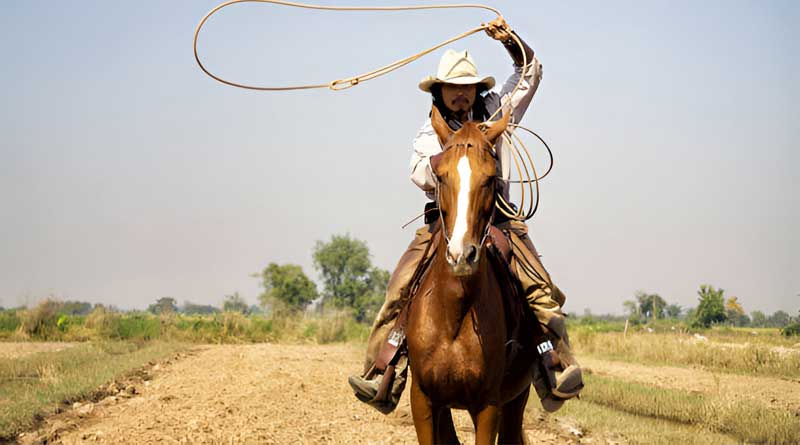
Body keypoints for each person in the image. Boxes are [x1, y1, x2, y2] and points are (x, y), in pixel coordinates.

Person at [348, 18, 583, 414]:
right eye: (452, 88)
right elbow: (419, 172)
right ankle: (384, 371)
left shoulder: (494, 112)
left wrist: (510, 40)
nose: (460, 95)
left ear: (478, 89)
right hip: (443, 225)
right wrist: (457, 155)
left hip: (499, 220)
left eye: (467, 87)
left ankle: (553, 365)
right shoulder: (430, 132)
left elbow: (530, 72)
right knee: (400, 288)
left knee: (539, 289)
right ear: (439, 91)